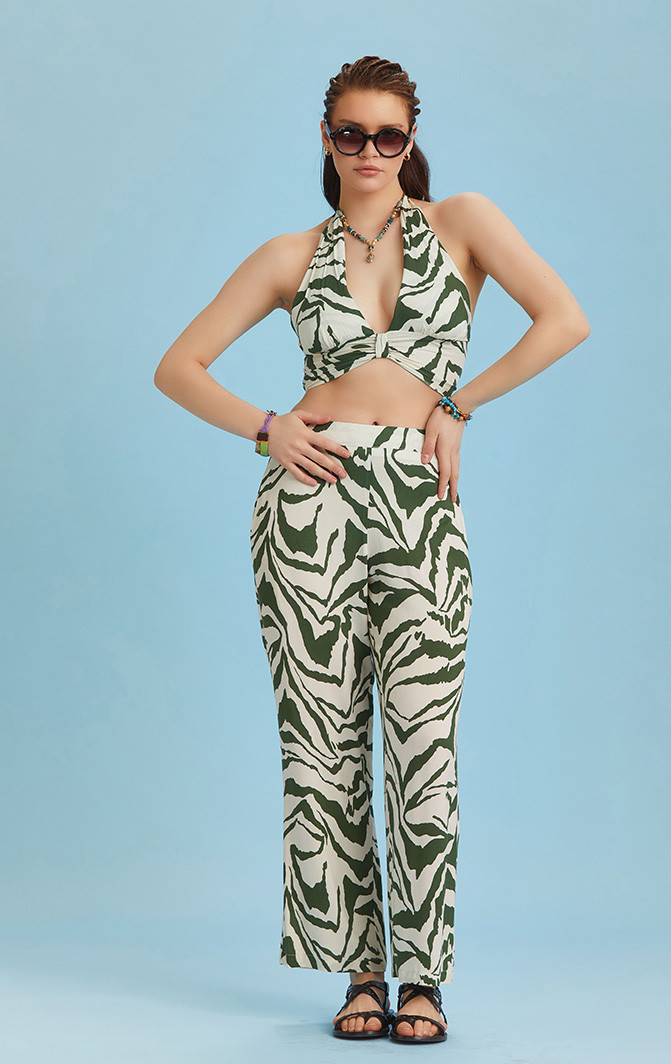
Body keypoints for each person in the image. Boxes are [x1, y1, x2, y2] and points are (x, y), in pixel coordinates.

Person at [154, 55, 590, 1045]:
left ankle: (423, 978)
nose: (368, 151)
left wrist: (459, 404)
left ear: (410, 140)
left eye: (387, 135)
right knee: (322, 746)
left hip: (419, 504)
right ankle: (358, 973)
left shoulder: (462, 222)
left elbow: (563, 319)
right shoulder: (289, 253)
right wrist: (267, 429)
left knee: (422, 744)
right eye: (349, 133)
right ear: (326, 138)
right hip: (307, 507)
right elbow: (178, 366)